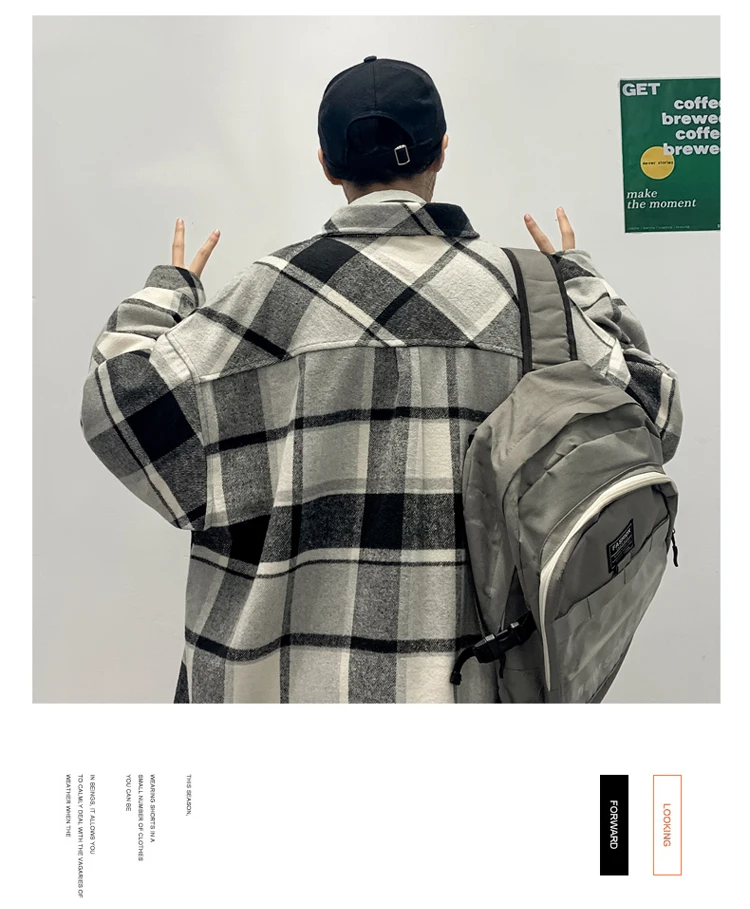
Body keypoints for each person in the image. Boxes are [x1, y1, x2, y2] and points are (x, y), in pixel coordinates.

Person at [80, 56, 682, 704]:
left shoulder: (262, 300)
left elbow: (118, 406)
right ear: (441, 149)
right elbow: (656, 413)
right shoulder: (534, 300)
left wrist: (168, 293)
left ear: (327, 164)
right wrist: (579, 283)